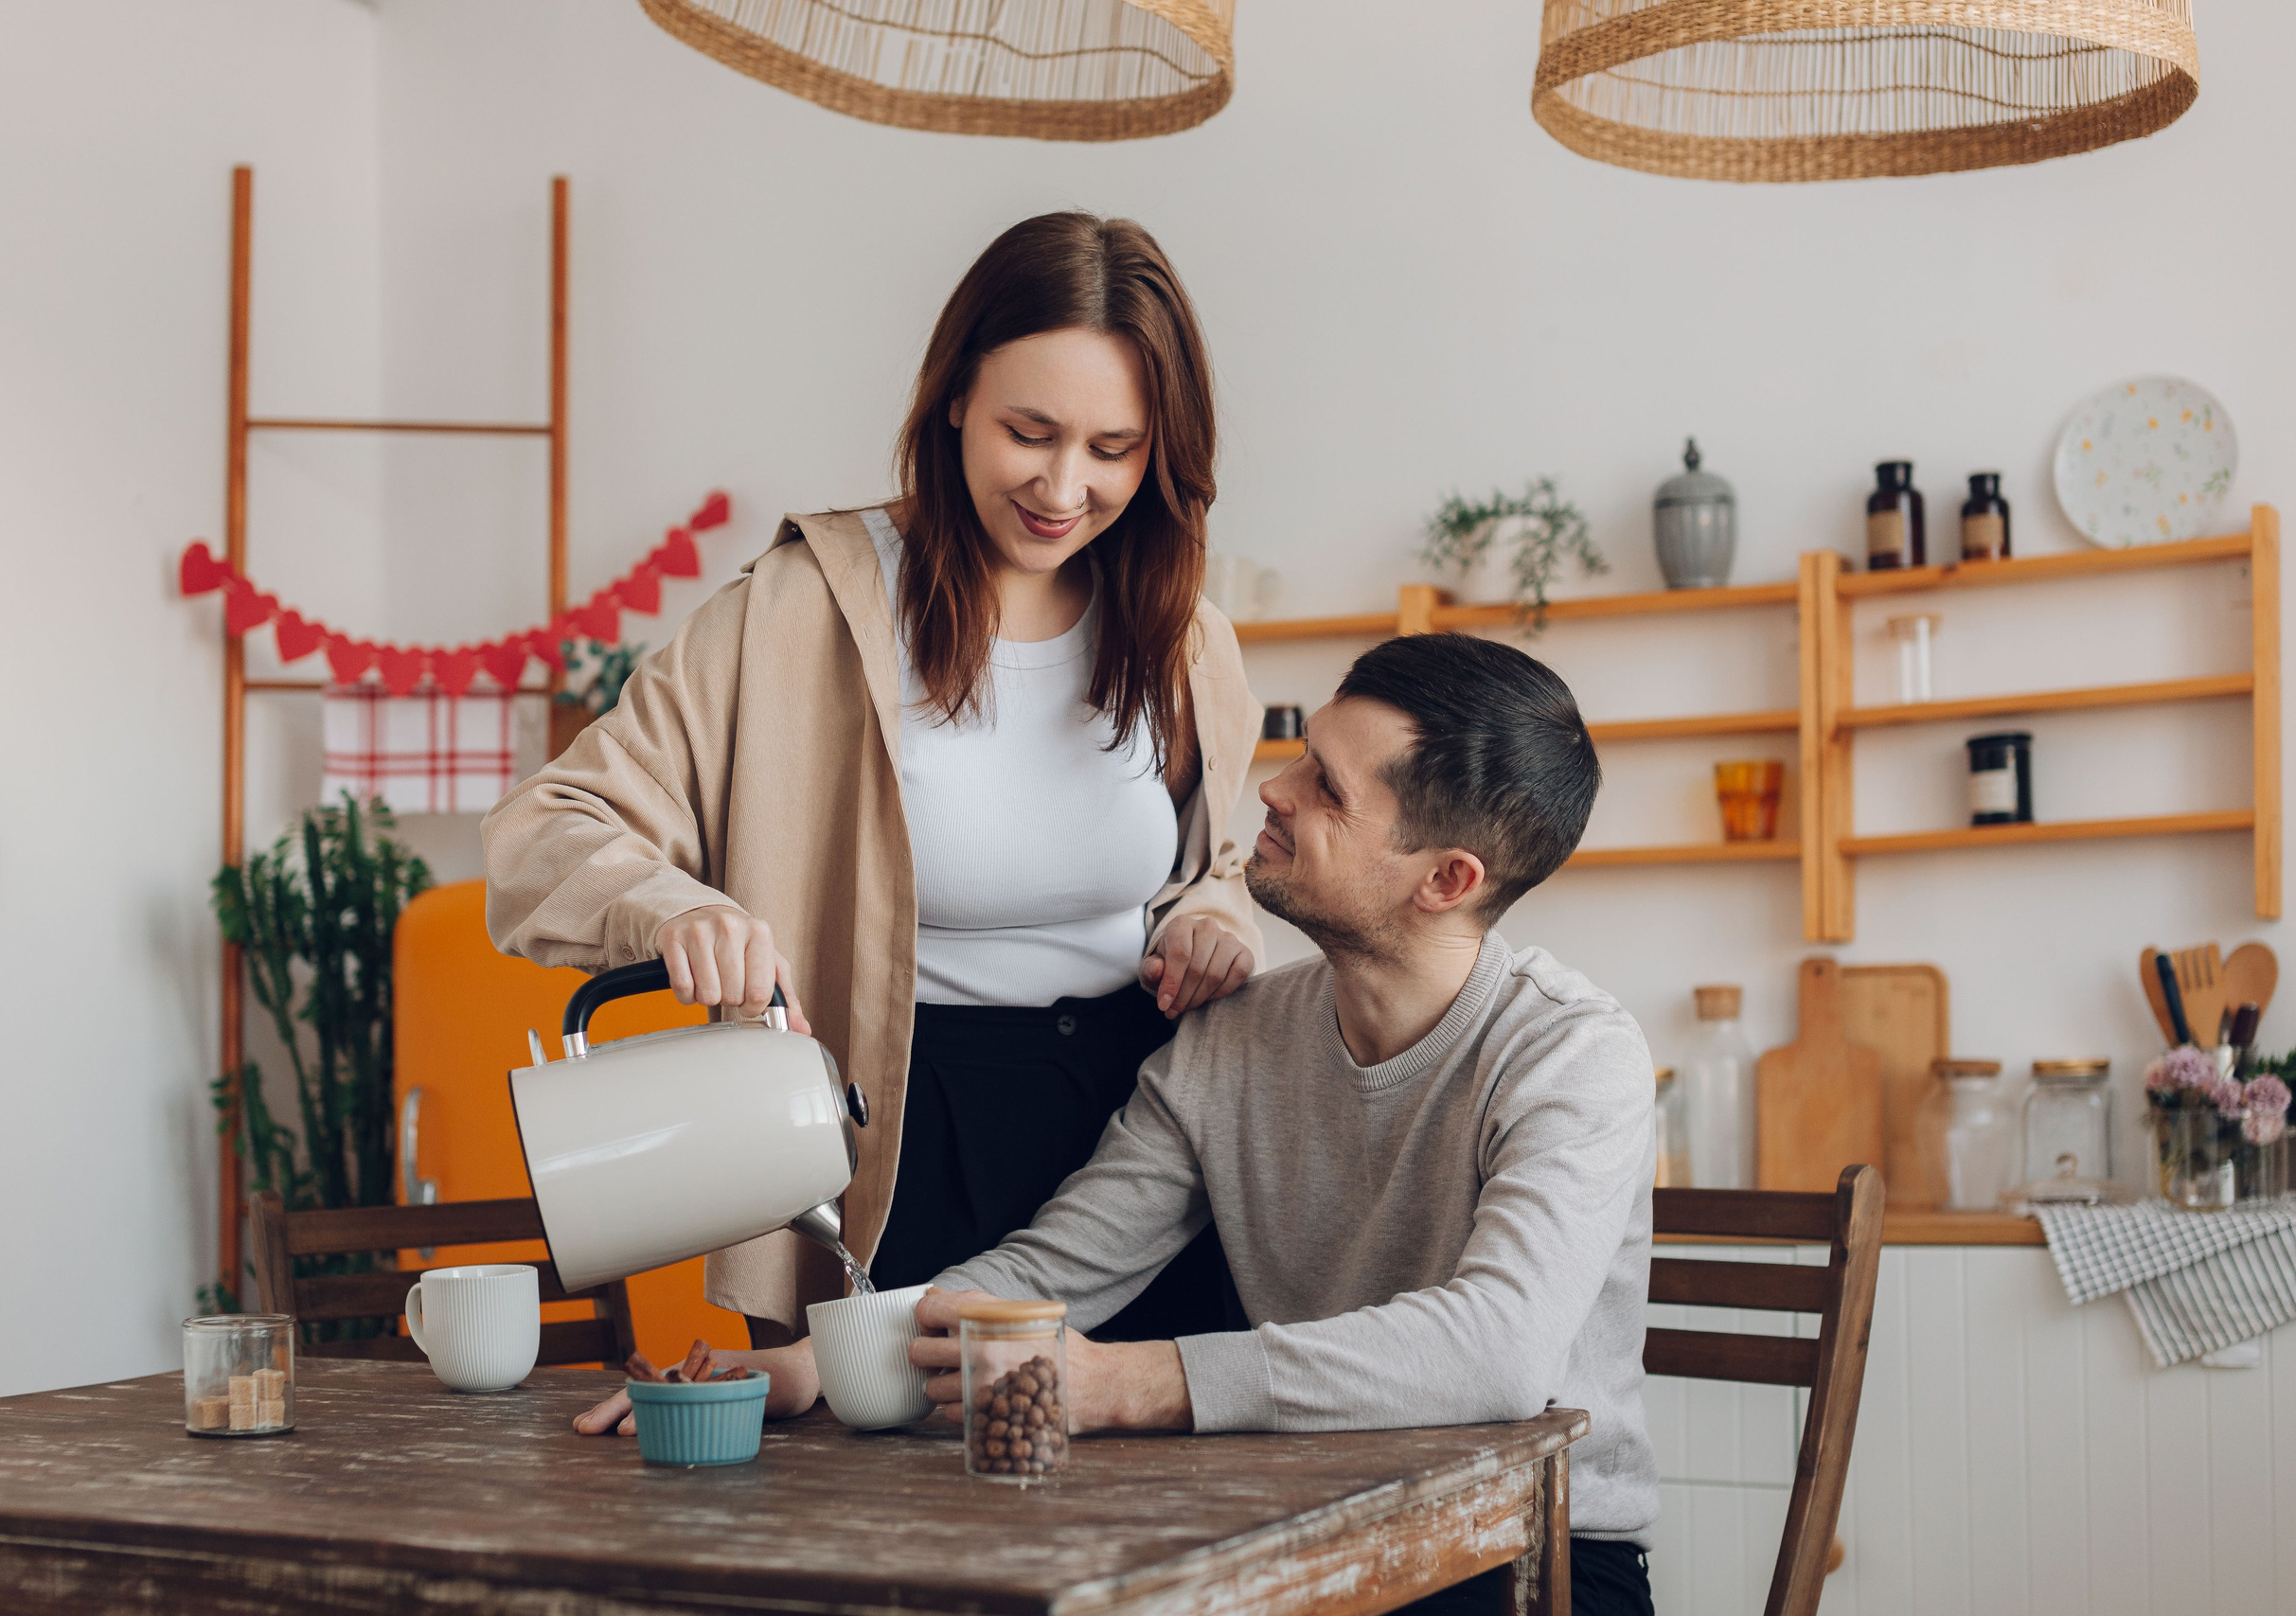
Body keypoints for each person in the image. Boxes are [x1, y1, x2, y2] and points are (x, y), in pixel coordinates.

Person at [582, 631, 1657, 1615]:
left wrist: (1132, 1385)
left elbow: (1501, 1351)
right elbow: (1061, 1265)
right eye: (1299, 756)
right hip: (1315, 1531)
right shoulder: (1236, 1041)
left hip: (1531, 1550)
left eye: (1325, 788)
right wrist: (832, 1368)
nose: (1271, 793)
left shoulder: (1574, 1056)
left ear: (1446, 880)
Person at [482, 212, 1263, 1346]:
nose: (1062, 485)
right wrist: (675, 906)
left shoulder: (1183, 634)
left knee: (1161, 1510)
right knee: (882, 1505)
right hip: (884, 1137)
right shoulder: (804, 609)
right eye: (1028, 431)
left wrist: (1214, 916)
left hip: (1141, 1141)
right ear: (953, 398)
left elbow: (1213, 863)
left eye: (1113, 450)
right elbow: (539, 831)